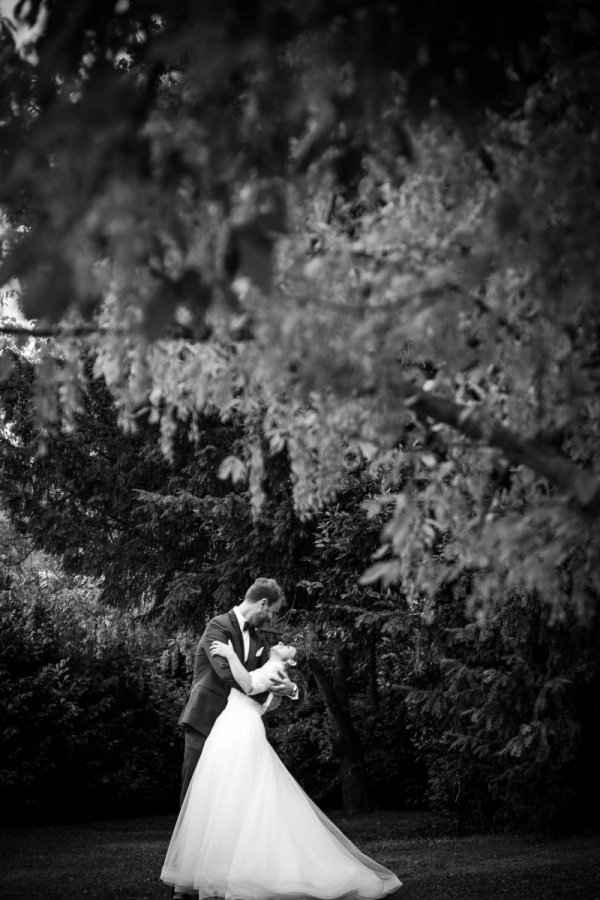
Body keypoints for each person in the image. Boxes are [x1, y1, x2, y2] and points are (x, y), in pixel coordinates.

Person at [161, 637, 402, 899]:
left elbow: (249, 685)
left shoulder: (275, 671)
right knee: (227, 794)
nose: (282, 642)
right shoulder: (268, 663)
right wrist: (288, 688)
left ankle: (240, 872)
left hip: (240, 729)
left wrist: (231, 656)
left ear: (290, 660)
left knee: (240, 790)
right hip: (230, 727)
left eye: (288, 646)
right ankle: (221, 867)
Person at [177, 576, 298, 809]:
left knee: (230, 794)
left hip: (235, 728)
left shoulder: (259, 638)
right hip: (206, 718)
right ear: (262, 603)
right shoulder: (218, 626)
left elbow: (269, 674)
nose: (271, 618)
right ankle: (189, 845)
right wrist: (266, 691)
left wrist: (290, 688)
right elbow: (228, 675)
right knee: (195, 789)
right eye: (272, 612)